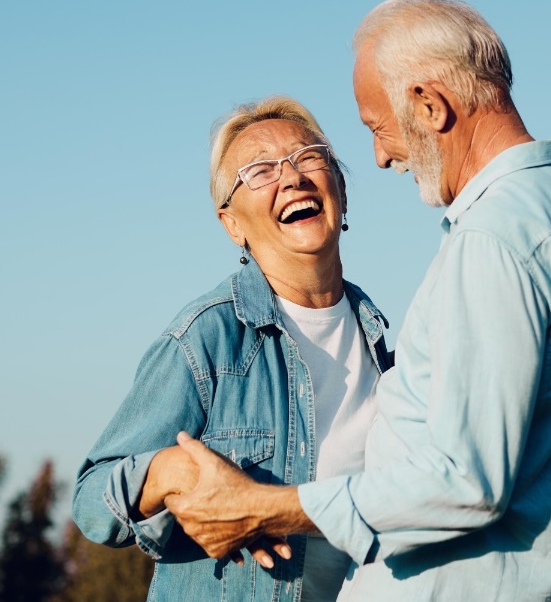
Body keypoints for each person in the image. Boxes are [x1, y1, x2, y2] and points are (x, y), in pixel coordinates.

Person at [165, 0, 551, 600]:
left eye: (378, 127)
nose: (380, 156)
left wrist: (266, 508)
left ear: (429, 105)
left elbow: (466, 484)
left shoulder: (490, 240)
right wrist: (505, 437)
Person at [71, 96, 394, 601]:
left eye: (309, 156)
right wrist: (170, 471)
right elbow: (92, 497)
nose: (292, 178)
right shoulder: (208, 337)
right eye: (260, 171)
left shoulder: (382, 345)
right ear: (232, 224)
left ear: (342, 190)